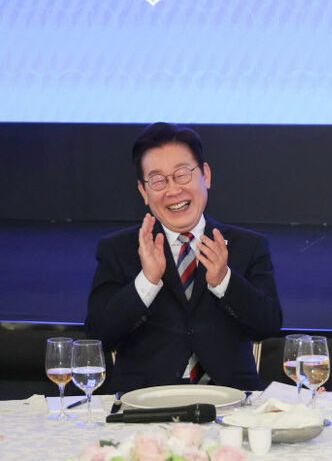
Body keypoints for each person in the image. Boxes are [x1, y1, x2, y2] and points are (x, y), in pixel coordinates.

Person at [86, 122, 282, 392]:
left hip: (231, 401)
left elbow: (268, 325)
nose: (173, 190)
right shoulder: (119, 248)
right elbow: (98, 336)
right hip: (144, 403)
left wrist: (224, 280)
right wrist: (147, 281)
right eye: (158, 180)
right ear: (143, 192)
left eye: (182, 174)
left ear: (206, 176)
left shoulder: (248, 246)